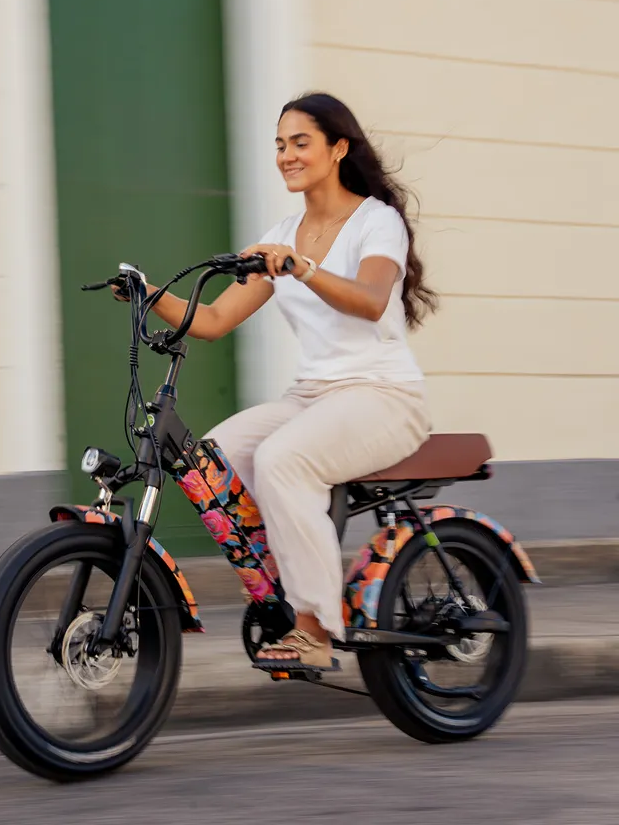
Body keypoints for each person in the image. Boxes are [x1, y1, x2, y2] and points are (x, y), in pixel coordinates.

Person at [114, 92, 437, 669]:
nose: (287, 155)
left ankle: (314, 628)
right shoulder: (284, 232)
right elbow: (214, 319)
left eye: (300, 142)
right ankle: (281, 590)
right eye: (280, 145)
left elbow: (369, 299)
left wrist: (301, 267)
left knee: (283, 460)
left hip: (383, 396)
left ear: (338, 149)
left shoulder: (375, 222)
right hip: (313, 397)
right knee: (215, 461)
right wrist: (149, 292)